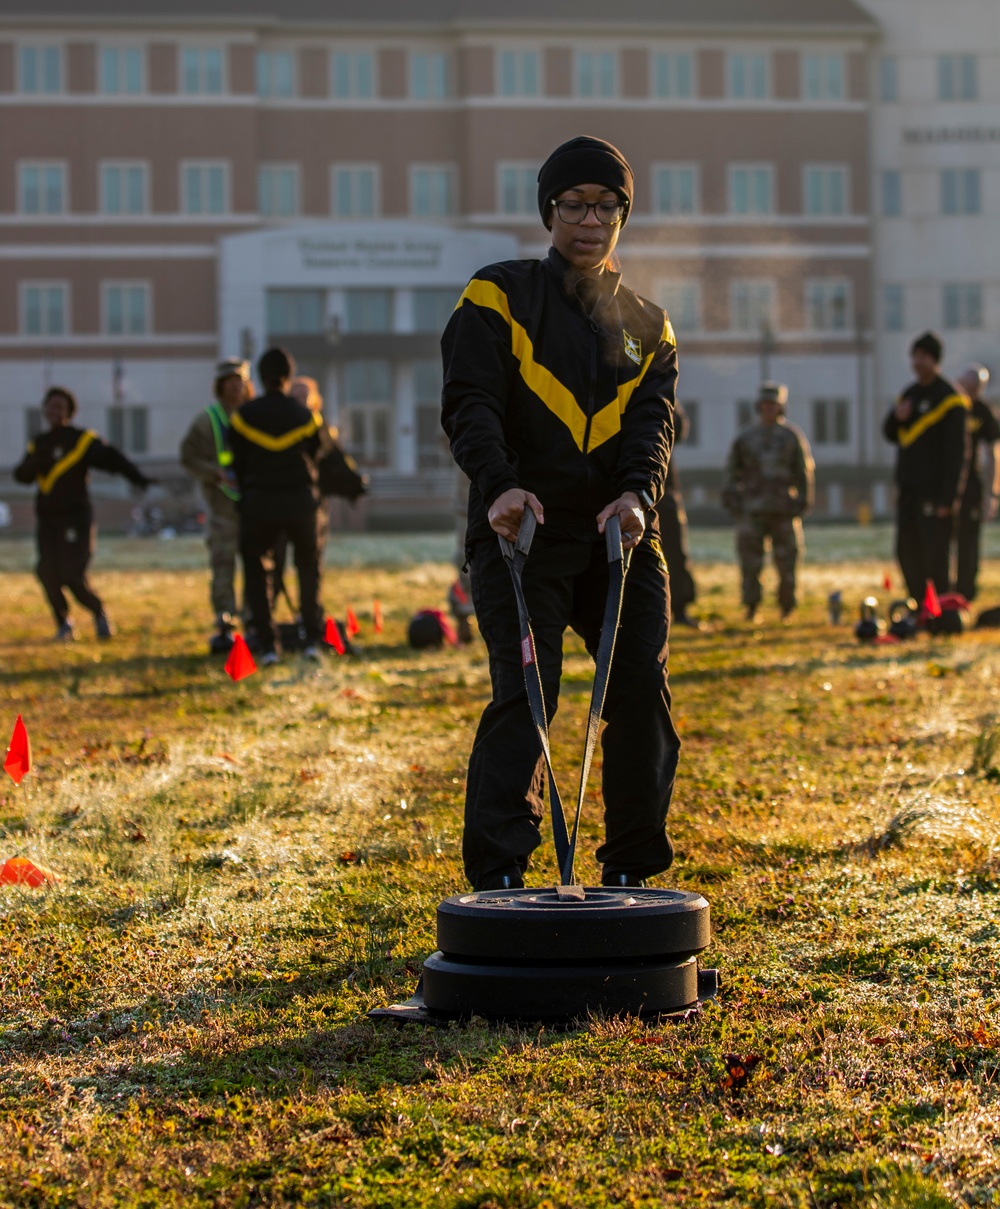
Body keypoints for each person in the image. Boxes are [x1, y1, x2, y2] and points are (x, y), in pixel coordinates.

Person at [442, 134, 680, 892]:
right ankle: (500, 876)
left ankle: (632, 871)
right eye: (574, 203)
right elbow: (469, 403)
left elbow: (654, 428)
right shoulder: (496, 296)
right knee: (528, 694)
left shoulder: (651, 327)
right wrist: (500, 485)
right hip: (521, 530)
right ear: (549, 210)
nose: (590, 219)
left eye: (607, 206)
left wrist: (639, 496)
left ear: (623, 216)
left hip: (616, 535)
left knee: (640, 686)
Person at [14, 385, 153, 640]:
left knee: (71, 574)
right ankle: (63, 623)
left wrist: (138, 478)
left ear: (69, 412)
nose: (54, 411)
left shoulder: (81, 440)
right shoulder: (39, 443)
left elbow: (112, 458)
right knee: (46, 571)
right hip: (48, 519)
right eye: (51, 406)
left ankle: (99, 613)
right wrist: (38, 462)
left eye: (60, 407)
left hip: (76, 518)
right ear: (44, 409)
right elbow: (21, 475)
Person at [229, 348, 324, 665]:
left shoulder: (244, 416)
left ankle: (268, 645)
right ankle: (311, 638)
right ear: (288, 376)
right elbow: (316, 453)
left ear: (260, 375)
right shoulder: (305, 416)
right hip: (299, 501)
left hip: (259, 503)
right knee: (308, 568)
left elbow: (236, 462)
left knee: (257, 573)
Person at [883, 332, 970, 601]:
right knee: (907, 551)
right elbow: (890, 434)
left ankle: (940, 610)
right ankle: (920, 605)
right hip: (910, 490)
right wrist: (897, 419)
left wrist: (949, 497)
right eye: (915, 356)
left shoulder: (950, 399)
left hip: (936, 494)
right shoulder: (909, 394)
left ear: (935, 360)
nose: (917, 362)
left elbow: (957, 454)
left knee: (935, 556)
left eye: (923, 357)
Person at [722, 382, 814, 622]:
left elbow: (803, 472)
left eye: (773, 405)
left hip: (783, 509)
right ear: (759, 407)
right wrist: (733, 502)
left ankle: (787, 606)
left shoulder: (791, 437)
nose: (768, 409)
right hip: (752, 510)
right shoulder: (746, 438)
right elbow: (732, 472)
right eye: (765, 405)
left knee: (787, 562)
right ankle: (751, 606)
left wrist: (802, 502)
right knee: (750, 563)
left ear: (780, 408)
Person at [179, 358, 252, 654]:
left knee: (257, 568)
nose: (236, 386)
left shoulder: (254, 416)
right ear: (220, 386)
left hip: (253, 508)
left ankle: (254, 618)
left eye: (241, 380)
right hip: (223, 509)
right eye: (230, 381)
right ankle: (225, 619)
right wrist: (213, 472)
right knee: (222, 565)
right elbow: (187, 458)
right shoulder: (206, 421)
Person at [954, 363, 1000, 601]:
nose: (970, 393)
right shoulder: (949, 407)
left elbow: (993, 454)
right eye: (966, 387)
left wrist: (992, 493)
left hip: (971, 484)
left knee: (969, 540)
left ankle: (964, 594)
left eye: (975, 389)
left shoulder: (984, 412)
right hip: (946, 483)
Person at [655, 401, 700, 628]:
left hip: (663, 491)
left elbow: (678, 429)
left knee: (675, 552)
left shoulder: (658, 392)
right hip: (622, 490)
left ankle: (680, 607)